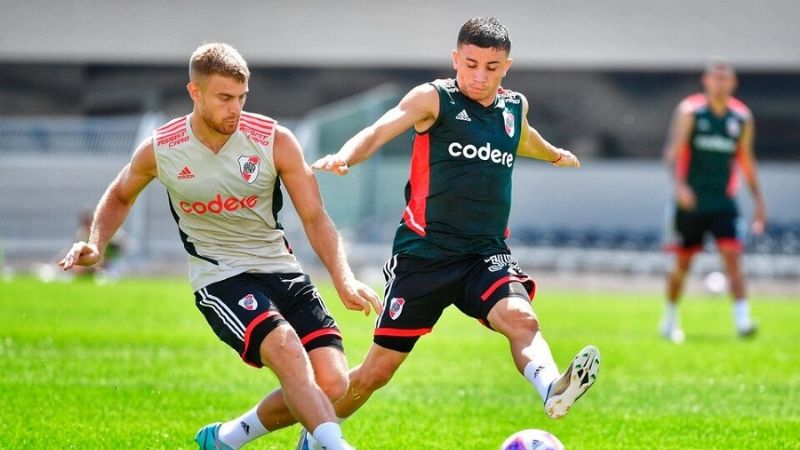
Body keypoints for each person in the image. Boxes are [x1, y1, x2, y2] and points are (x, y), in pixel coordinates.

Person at [58, 43, 382, 450]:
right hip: (221, 276)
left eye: (242, 98)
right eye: (224, 98)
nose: (236, 108)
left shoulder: (274, 140)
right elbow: (120, 194)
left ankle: (228, 437)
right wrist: (95, 243)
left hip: (282, 269)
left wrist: (344, 278)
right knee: (285, 351)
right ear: (195, 93)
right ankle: (335, 445)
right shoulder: (163, 148)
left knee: (333, 382)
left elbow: (316, 217)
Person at [297, 16, 601, 448]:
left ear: (506, 67)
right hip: (424, 255)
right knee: (375, 373)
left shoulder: (514, 107)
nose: (480, 76)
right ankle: (317, 434)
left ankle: (553, 388)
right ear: (455, 59)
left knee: (522, 319)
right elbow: (382, 127)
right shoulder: (433, 99)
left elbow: (524, 138)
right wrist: (346, 156)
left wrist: (555, 155)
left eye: (491, 67)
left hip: (484, 252)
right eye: (471, 64)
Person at [662, 61, 767, 342]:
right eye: (716, 78)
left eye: (726, 79)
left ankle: (743, 322)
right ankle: (670, 318)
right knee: (682, 264)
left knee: (733, 258)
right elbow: (672, 155)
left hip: (724, 202)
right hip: (692, 203)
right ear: (706, 81)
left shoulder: (741, 118)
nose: (721, 83)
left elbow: (746, 159)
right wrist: (680, 187)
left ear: (733, 83)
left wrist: (758, 201)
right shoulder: (691, 112)